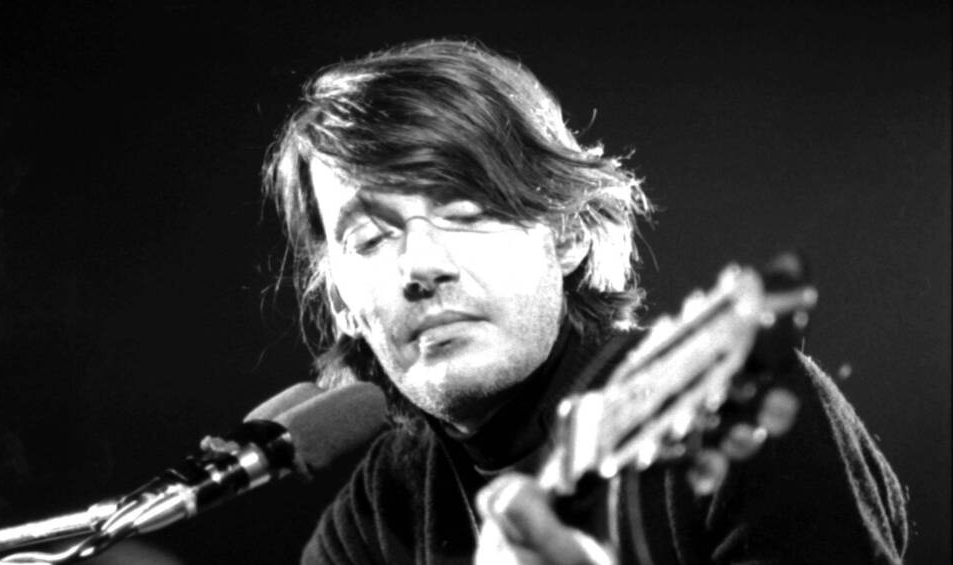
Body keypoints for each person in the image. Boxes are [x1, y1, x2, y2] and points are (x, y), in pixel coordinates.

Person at [262, 39, 908, 564]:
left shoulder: (736, 405)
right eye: (370, 239)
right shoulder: (381, 505)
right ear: (341, 301)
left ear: (567, 235)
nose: (421, 264)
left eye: (466, 212)